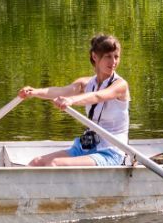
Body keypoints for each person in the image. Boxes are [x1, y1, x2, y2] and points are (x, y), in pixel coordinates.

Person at [18, 33, 130, 167]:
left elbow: (98, 96)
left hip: (111, 152)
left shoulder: (120, 85)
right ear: (95, 56)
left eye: (116, 57)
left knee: (55, 164)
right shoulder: (86, 83)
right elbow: (60, 91)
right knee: (37, 162)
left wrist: (71, 100)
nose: (113, 62)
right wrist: (34, 92)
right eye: (108, 57)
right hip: (87, 147)